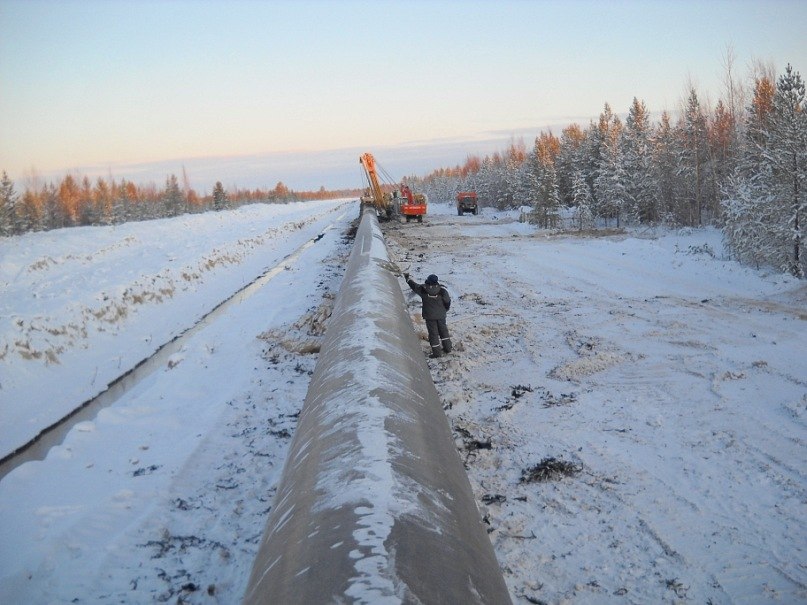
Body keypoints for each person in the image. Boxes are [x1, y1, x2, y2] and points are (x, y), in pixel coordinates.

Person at [403, 272, 452, 358]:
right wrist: (445, 309)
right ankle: (447, 348)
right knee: (443, 331)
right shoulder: (442, 291)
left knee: (433, 334)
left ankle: (437, 353)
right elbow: (447, 301)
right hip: (441, 315)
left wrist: (408, 279)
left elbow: (414, 286)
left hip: (430, 316)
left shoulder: (423, 289)